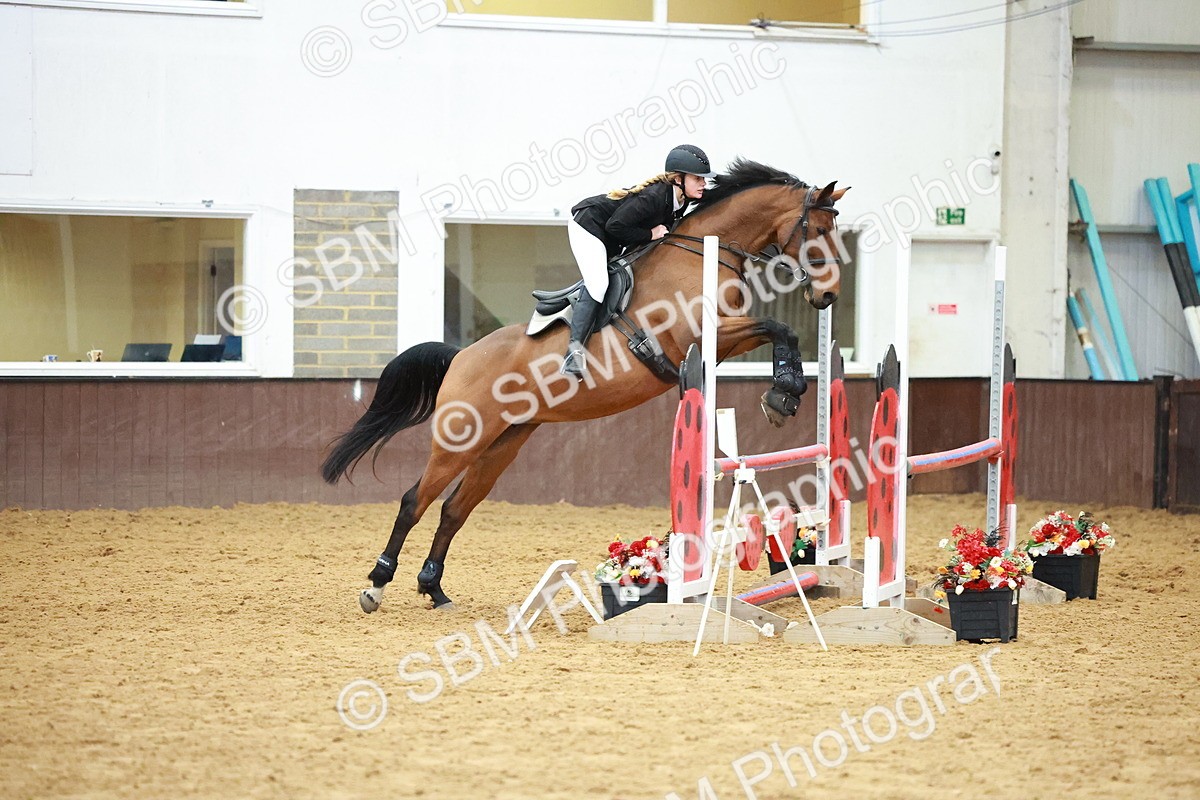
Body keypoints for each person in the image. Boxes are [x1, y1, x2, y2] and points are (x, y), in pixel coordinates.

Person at [561, 144, 714, 379]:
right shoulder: (654, 198)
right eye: (698, 178)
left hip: (609, 236)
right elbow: (615, 225)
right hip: (588, 226)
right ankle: (574, 354)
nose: (703, 183)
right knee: (599, 284)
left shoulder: (679, 201)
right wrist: (649, 235)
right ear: (678, 179)